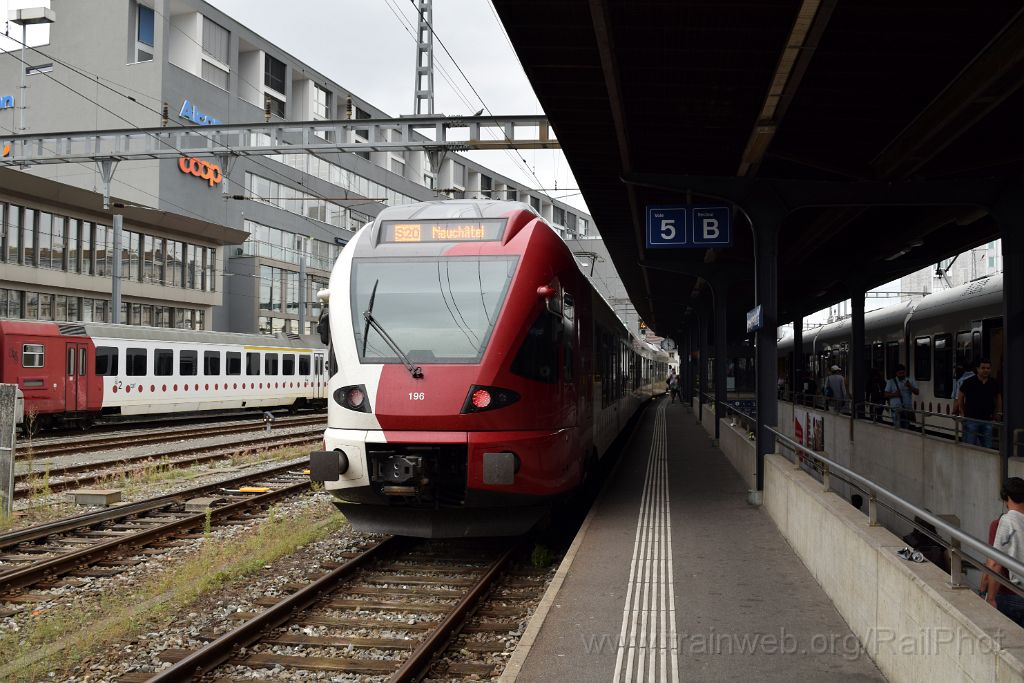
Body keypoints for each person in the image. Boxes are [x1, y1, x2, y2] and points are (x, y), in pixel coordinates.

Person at [986, 477, 1024, 626]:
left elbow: (995, 563)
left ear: (1006, 497)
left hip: (1016, 595)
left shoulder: (1008, 521)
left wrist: (990, 598)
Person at [956, 358, 1002, 449]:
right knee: (970, 446)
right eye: (983, 368)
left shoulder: (993, 382)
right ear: (977, 369)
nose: (986, 370)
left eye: (988, 368)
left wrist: (998, 412)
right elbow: (960, 396)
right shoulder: (969, 382)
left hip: (987, 420)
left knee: (988, 446)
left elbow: (998, 397)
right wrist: (962, 412)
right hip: (971, 419)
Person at [884, 364, 919, 428]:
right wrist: (894, 394)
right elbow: (885, 394)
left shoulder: (910, 381)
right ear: (896, 373)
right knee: (897, 428)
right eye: (900, 373)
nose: (902, 375)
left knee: (906, 427)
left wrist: (910, 386)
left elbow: (917, 392)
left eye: (903, 373)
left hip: (906, 409)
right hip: (896, 410)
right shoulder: (891, 382)